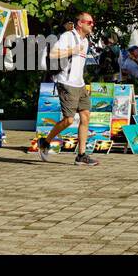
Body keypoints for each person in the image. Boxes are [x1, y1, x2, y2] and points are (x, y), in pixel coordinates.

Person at [37, 12, 98, 166]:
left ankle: (81, 155)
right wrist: (72, 51)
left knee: (85, 117)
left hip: (80, 84)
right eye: (89, 22)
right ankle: (45, 141)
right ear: (80, 23)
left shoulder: (85, 41)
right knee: (69, 120)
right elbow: (52, 54)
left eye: (92, 22)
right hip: (66, 83)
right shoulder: (68, 36)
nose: (92, 25)